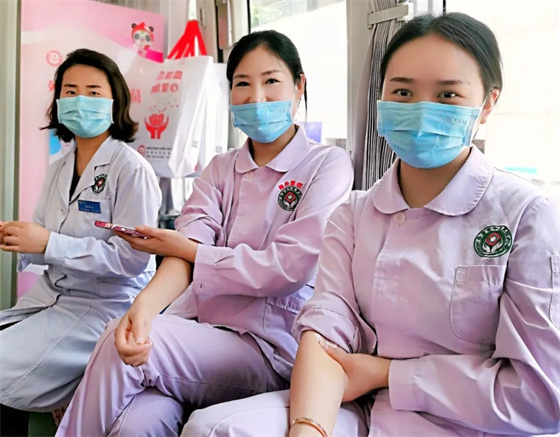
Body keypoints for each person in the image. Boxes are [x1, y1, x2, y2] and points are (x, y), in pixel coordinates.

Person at [181, 12, 560, 437]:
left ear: (487, 104)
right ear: (380, 99)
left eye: (448, 95)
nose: (421, 110)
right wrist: (308, 428)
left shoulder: (527, 217)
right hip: (357, 406)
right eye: (403, 92)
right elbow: (326, 331)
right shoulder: (354, 214)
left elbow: (542, 398)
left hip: (465, 423)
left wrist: (389, 374)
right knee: (212, 429)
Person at [56, 30, 354, 437]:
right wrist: (143, 309)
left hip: (267, 347)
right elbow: (183, 252)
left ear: (299, 86)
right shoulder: (220, 168)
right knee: (137, 422)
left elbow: (288, 268)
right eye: (242, 84)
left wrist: (193, 254)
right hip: (198, 332)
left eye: (271, 81)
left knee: (115, 342)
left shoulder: (327, 165)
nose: (256, 97)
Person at [0, 48, 161, 435]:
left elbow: (132, 259)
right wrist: (18, 237)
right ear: (58, 102)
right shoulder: (59, 168)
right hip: (51, 296)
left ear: (114, 100)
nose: (80, 100)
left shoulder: (130, 169)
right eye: (70, 91)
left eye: (93, 92)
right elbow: (44, 232)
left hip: (103, 306)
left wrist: (48, 243)